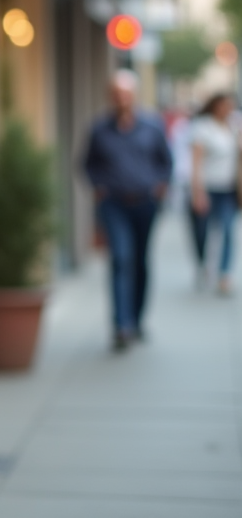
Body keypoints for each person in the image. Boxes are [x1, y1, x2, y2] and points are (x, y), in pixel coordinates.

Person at [84, 69, 173, 351]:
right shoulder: (99, 128)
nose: (121, 99)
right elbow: (87, 164)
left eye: (126, 93)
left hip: (145, 203)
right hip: (114, 203)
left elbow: (166, 161)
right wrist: (98, 185)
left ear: (134, 96)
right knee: (121, 258)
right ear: (110, 97)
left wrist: (161, 185)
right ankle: (121, 325)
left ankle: (136, 319)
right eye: (116, 94)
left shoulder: (152, 126)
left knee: (140, 261)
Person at [188, 92, 239, 295]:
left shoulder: (234, 127)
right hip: (207, 189)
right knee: (203, 233)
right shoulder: (203, 127)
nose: (228, 110)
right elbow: (196, 162)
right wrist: (197, 192)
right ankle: (202, 266)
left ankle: (224, 274)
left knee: (227, 231)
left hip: (228, 190)